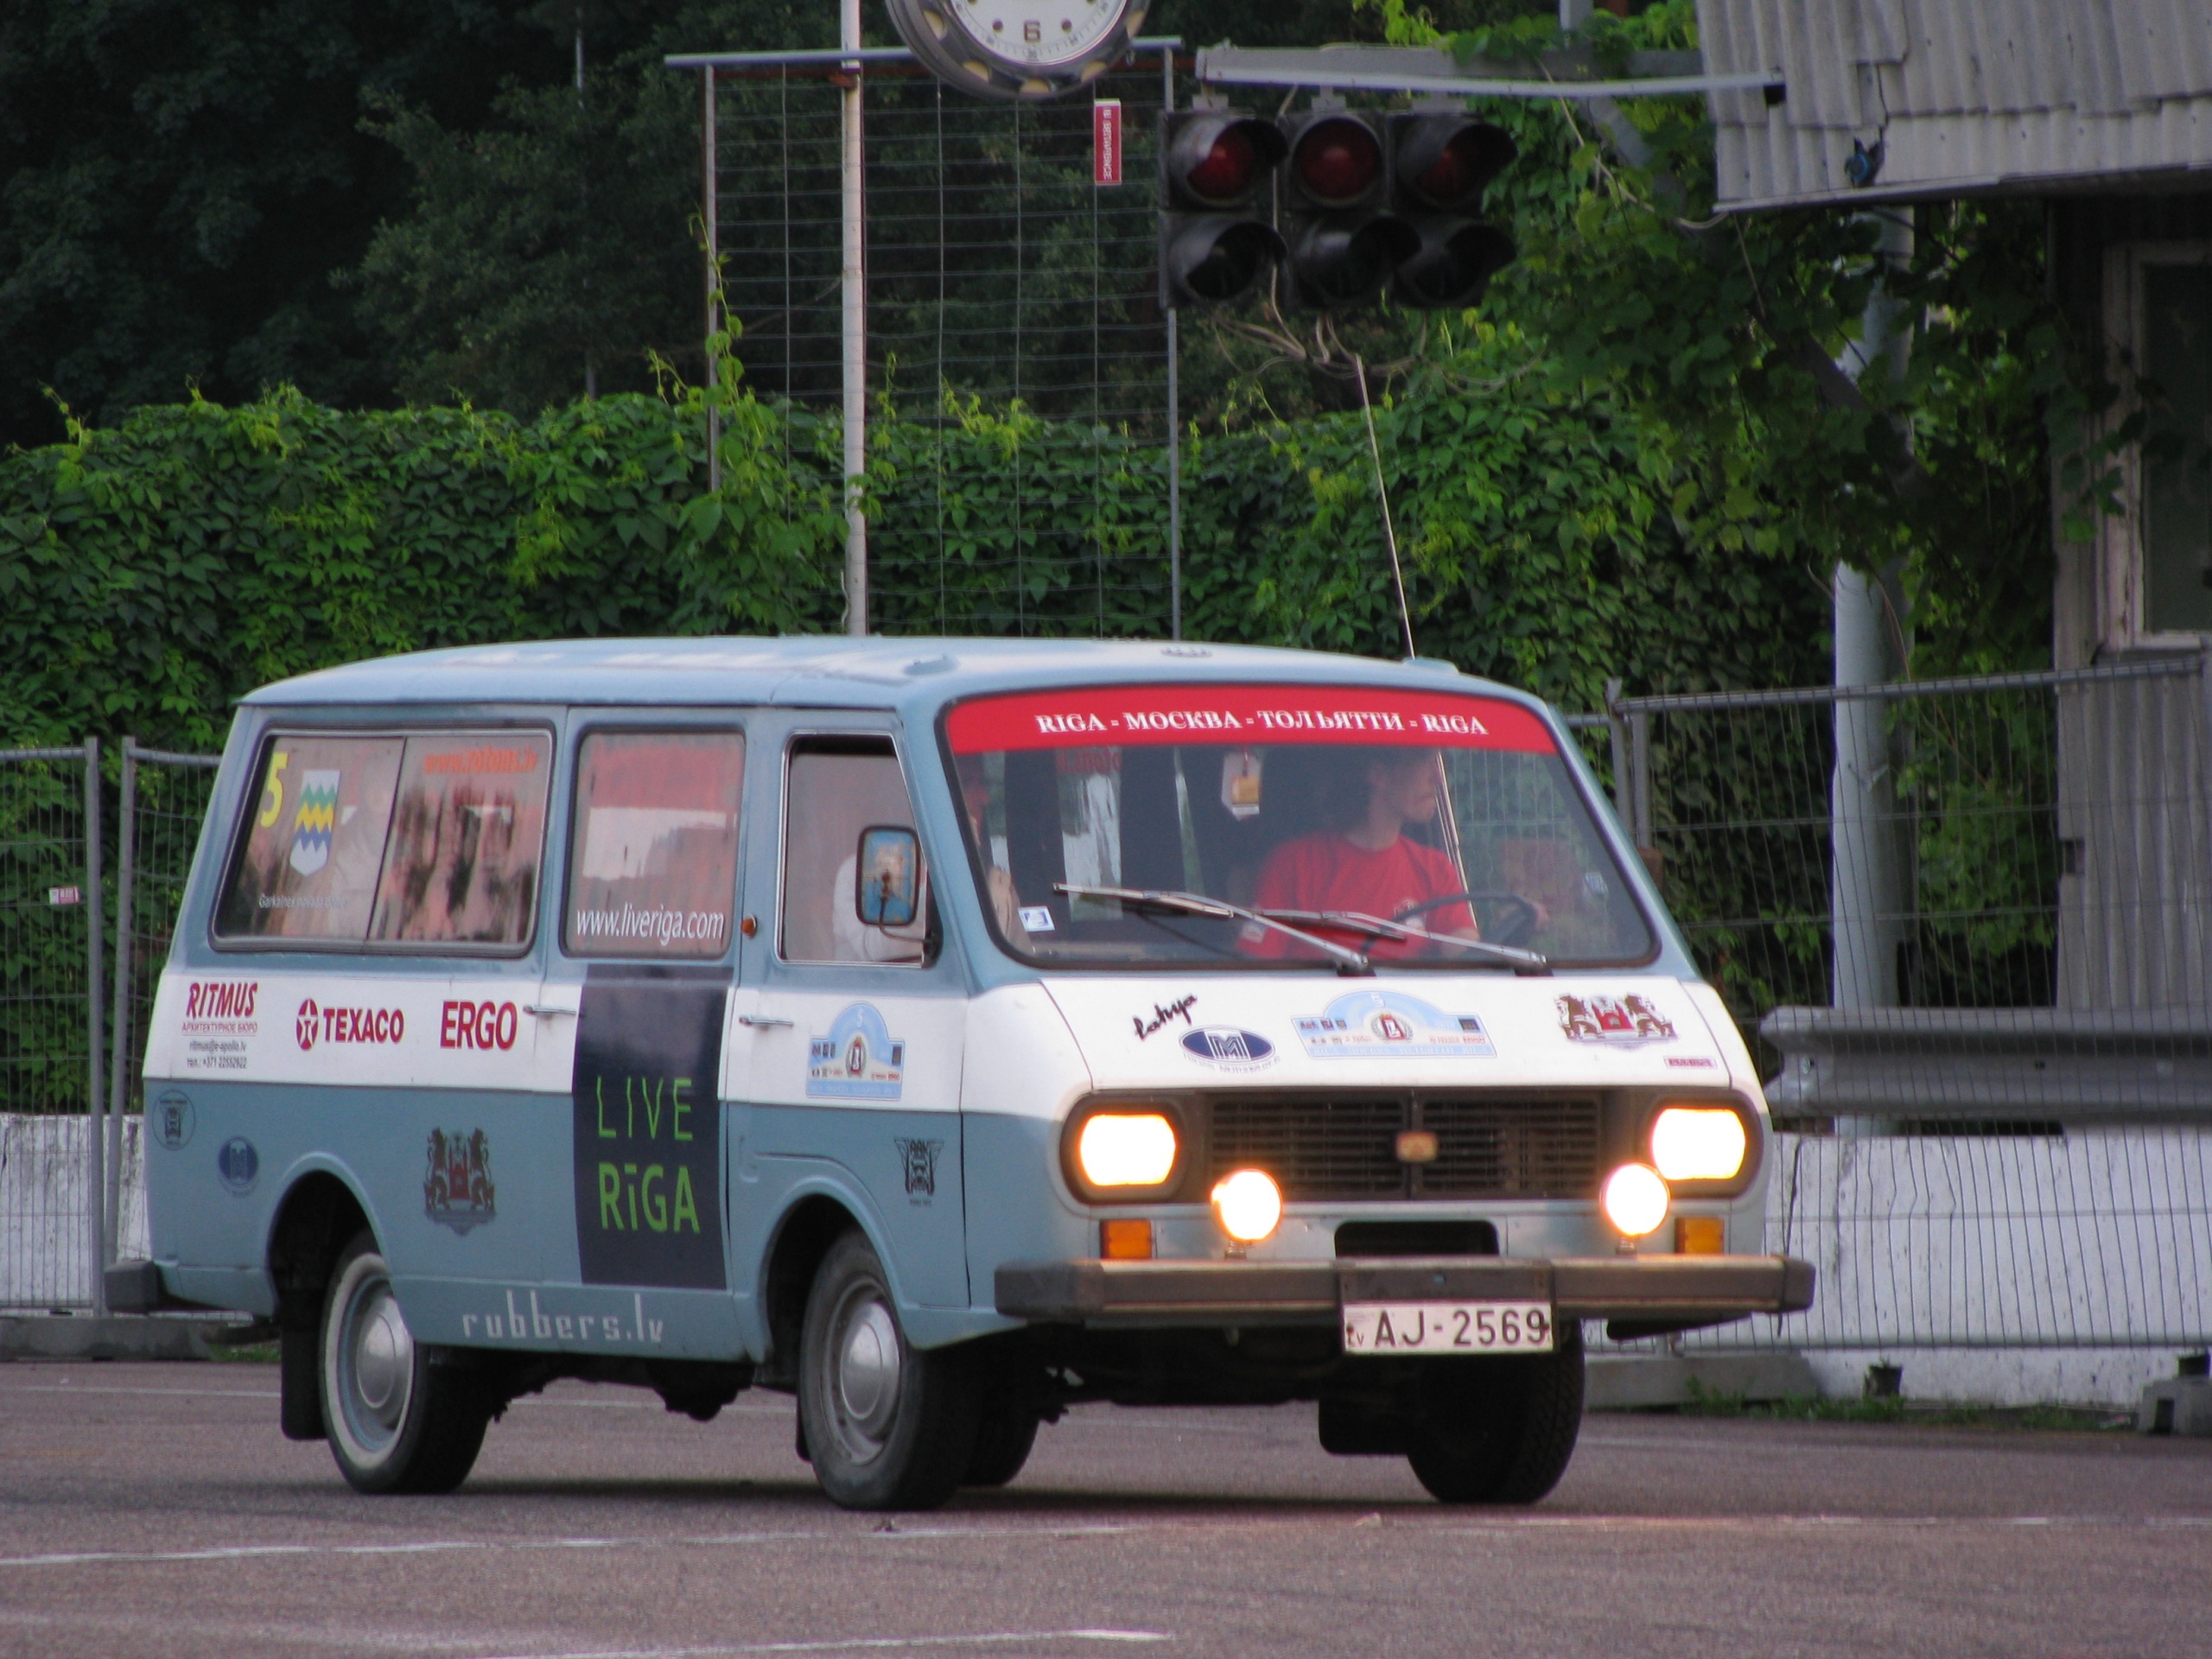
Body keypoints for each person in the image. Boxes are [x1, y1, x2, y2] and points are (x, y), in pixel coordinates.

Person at [1243, 747, 1477, 960]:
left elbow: (1470, 958)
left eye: (1437, 762)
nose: (1438, 777)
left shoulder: (1435, 868)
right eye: (1422, 759)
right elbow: (1256, 972)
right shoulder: (1293, 865)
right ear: (1378, 775)